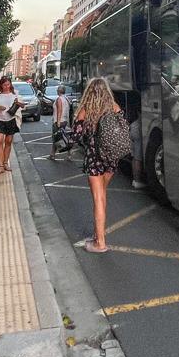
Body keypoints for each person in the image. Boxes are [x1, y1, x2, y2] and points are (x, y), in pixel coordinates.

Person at [72, 77, 123, 253]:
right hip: (111, 157)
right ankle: (97, 234)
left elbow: (76, 137)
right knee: (102, 196)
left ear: (90, 91)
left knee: (98, 198)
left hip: (94, 157)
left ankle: (100, 243)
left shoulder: (87, 110)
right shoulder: (115, 107)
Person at [0, 77, 20, 175]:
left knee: (8, 142)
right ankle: (1, 166)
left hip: (11, 120)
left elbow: (20, 105)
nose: (7, 87)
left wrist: (21, 104)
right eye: (4, 85)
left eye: (8, 84)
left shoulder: (15, 95)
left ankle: (6, 163)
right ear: (1, 85)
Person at [49, 85, 69, 162]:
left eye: (57, 90)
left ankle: (53, 155)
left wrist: (58, 122)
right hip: (65, 120)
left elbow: (59, 110)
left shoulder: (59, 99)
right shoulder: (66, 98)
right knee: (62, 138)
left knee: (56, 138)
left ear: (58, 91)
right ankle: (52, 154)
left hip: (59, 121)